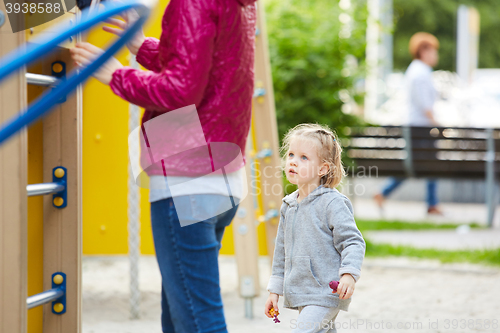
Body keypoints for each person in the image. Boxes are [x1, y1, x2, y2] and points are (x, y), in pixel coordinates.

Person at [70, 0, 257, 332]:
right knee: (179, 316)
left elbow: (181, 90)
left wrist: (116, 75)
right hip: (221, 176)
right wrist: (142, 47)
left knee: (199, 321)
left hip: (187, 182)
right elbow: (205, 63)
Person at [264, 124, 366, 333]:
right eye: (291, 154)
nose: (293, 161)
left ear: (323, 169)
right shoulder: (288, 205)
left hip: (326, 291)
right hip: (302, 291)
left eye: (303, 157)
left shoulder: (332, 203)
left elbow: (353, 241)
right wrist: (274, 290)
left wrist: (348, 274)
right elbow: (281, 251)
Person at [373, 32, 443, 215]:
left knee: (420, 165)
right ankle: (431, 204)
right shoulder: (419, 73)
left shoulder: (419, 71)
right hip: (420, 127)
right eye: (433, 51)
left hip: (419, 127)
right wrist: (438, 124)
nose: (436, 55)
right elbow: (425, 105)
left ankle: (430, 203)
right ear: (423, 51)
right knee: (421, 165)